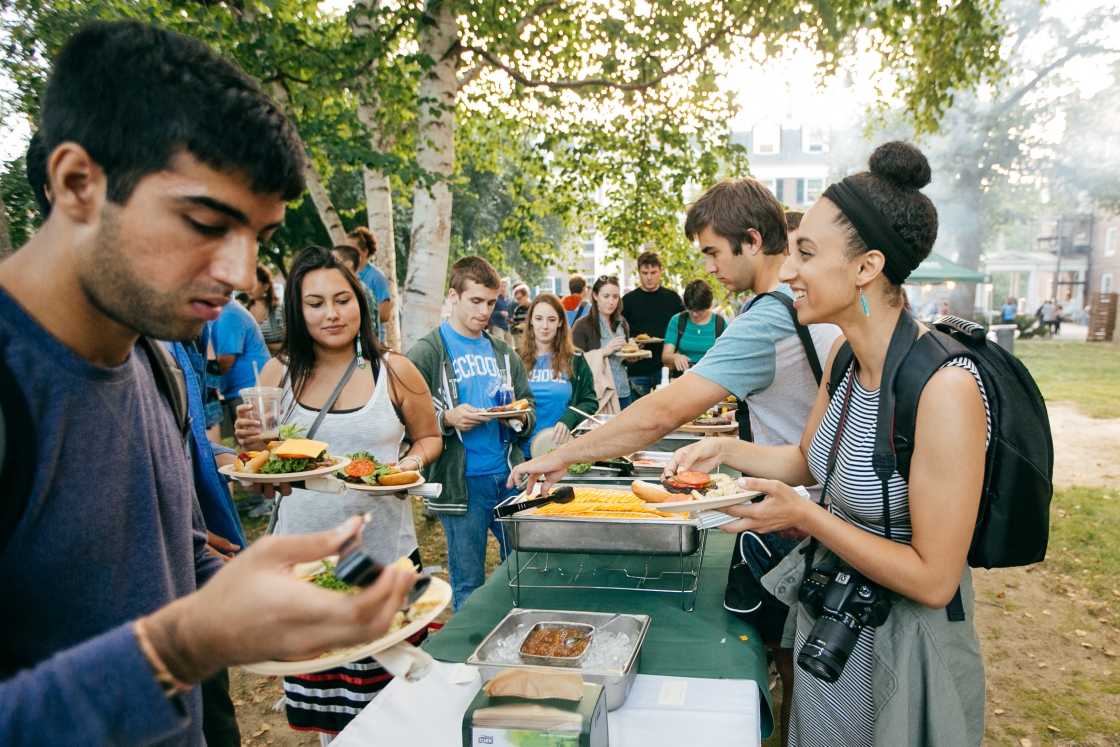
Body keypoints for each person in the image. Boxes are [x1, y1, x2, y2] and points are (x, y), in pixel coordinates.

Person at [0, 21, 417, 746]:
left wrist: (267, 585)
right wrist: (182, 646)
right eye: (204, 222)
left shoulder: (155, 359)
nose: (239, 273)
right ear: (76, 184)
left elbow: (167, 558)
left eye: (259, 237)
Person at [668, 141, 989, 746]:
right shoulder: (844, 356)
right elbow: (805, 460)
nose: (788, 271)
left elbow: (934, 580)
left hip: (904, 653)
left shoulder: (946, 389)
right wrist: (725, 452)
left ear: (866, 267)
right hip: (831, 628)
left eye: (806, 254)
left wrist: (807, 516)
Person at [510, 177, 840, 747]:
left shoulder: (768, 317)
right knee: (796, 666)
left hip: (804, 517)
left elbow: (659, 413)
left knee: (800, 671)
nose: (708, 267)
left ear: (752, 240)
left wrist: (561, 457)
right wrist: (729, 446)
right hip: (811, 497)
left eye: (713, 251)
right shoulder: (793, 304)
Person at [235, 246, 441, 739]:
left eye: (342, 299)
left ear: (361, 304)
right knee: (333, 720)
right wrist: (253, 451)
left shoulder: (394, 370)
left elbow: (429, 437)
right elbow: (263, 478)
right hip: (304, 570)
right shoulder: (277, 374)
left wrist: (407, 466)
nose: (331, 313)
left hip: (382, 563)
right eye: (315, 303)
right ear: (297, 310)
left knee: (398, 711)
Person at [406, 256, 535, 611]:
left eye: (491, 303)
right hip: (461, 483)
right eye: (476, 301)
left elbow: (529, 407)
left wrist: (515, 418)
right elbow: (404, 416)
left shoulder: (503, 351)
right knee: (468, 581)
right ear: (453, 296)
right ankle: (470, 644)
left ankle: (521, 628)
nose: (484, 311)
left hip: (508, 476)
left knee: (525, 567)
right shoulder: (427, 351)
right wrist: (446, 418)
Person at [516, 293, 599, 456]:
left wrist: (570, 418)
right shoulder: (515, 359)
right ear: (530, 320)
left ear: (560, 322)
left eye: (551, 320)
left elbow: (589, 401)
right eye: (539, 319)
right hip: (521, 453)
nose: (545, 326)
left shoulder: (576, 359)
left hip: (561, 451)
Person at [205, 290, 272, 438]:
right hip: (236, 391)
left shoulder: (229, 313)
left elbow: (226, 359)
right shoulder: (221, 312)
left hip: (248, 392)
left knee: (247, 441)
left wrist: (205, 384)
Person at [621, 251, 684, 397]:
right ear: (638, 272)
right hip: (638, 367)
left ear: (661, 271)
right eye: (645, 273)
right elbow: (619, 332)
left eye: (653, 272)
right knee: (638, 409)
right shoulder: (628, 301)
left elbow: (682, 329)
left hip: (666, 367)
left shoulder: (672, 298)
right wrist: (630, 343)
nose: (649, 277)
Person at [572, 275, 634, 408]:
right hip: (599, 396)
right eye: (606, 296)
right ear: (595, 296)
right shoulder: (582, 325)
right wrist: (603, 352)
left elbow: (622, 361)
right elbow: (574, 363)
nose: (611, 302)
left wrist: (631, 356)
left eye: (615, 297)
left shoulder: (622, 323)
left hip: (624, 392)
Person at [662, 278, 725, 376]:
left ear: (708, 305)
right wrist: (675, 357)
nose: (695, 314)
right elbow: (666, 356)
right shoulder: (678, 321)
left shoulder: (719, 324)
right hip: (683, 376)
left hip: (710, 377)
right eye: (690, 309)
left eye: (699, 310)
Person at [346, 227, 391, 341]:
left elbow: (385, 314)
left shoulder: (377, 277)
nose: (347, 252)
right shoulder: (346, 275)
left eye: (351, 248)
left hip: (372, 341)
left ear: (365, 251)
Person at [331, 243, 381, 326]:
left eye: (334, 261)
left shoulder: (361, 291)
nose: (329, 265)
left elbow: (370, 326)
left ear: (349, 264)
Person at [244, 264, 284, 354]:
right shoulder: (244, 312)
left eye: (253, 283)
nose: (249, 288)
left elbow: (292, 345)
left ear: (266, 286)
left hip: (274, 361)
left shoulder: (278, 311)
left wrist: (261, 345)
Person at [488, 277, 513, 343]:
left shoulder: (511, 299)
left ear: (508, 287)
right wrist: (500, 313)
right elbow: (490, 312)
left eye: (504, 286)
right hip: (498, 326)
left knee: (509, 346)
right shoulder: (495, 299)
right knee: (500, 344)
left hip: (508, 327)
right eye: (501, 286)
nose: (503, 288)